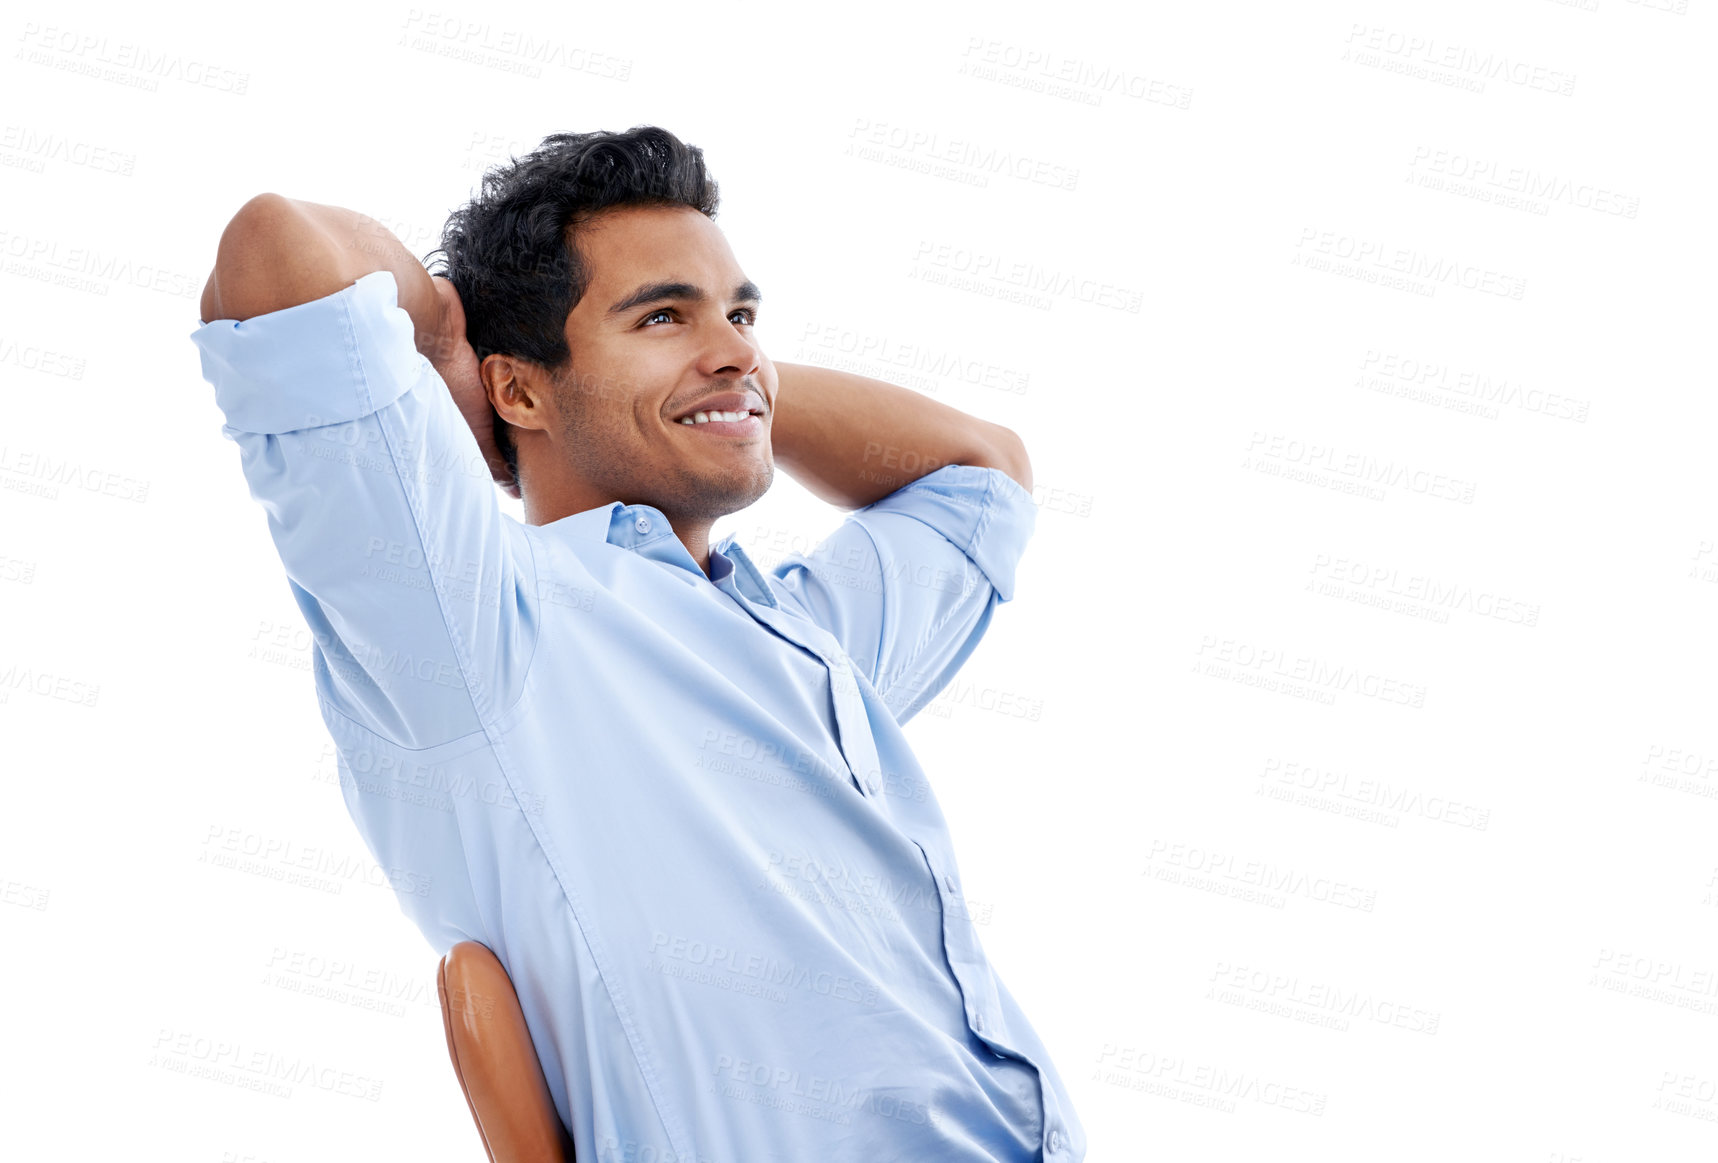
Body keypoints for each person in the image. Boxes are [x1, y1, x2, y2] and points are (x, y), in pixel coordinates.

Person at [189, 125, 1084, 1162]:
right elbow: (276, 249)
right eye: (661, 314)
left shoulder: (806, 634)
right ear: (515, 388)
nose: (739, 344)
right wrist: (444, 346)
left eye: (741, 312)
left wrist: (725, 384)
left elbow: (980, 473)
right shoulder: (479, 628)